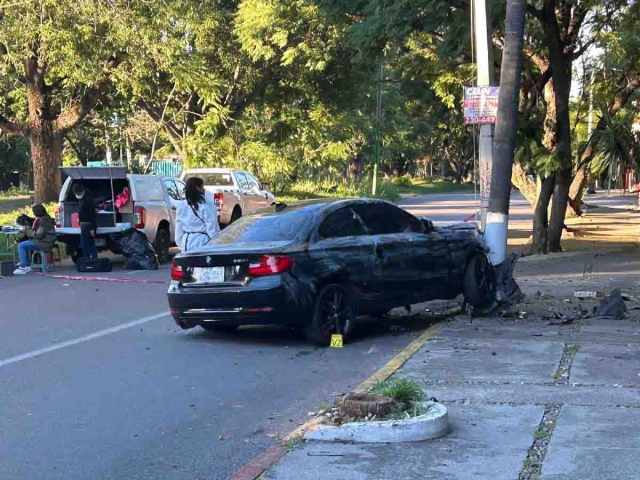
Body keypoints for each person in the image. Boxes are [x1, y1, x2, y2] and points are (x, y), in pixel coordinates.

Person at [175, 177, 220, 252]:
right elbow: (212, 229)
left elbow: (178, 232)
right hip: (202, 241)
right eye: (202, 187)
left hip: (186, 242)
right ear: (198, 188)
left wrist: (182, 245)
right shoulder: (205, 206)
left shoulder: (181, 207)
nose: (204, 190)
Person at [13, 204, 57, 275]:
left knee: (21, 245)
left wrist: (27, 230)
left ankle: (23, 266)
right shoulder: (45, 218)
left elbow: (38, 235)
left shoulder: (44, 221)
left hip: (44, 243)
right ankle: (27, 265)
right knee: (25, 244)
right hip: (44, 241)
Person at [72, 183, 98, 260]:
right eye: (76, 194)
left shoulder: (88, 200)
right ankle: (93, 258)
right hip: (85, 223)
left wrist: (92, 228)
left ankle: (88, 259)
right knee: (89, 242)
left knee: (85, 243)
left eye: (79, 193)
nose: (78, 195)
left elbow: (92, 215)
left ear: (83, 191)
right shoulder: (84, 197)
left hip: (88, 224)